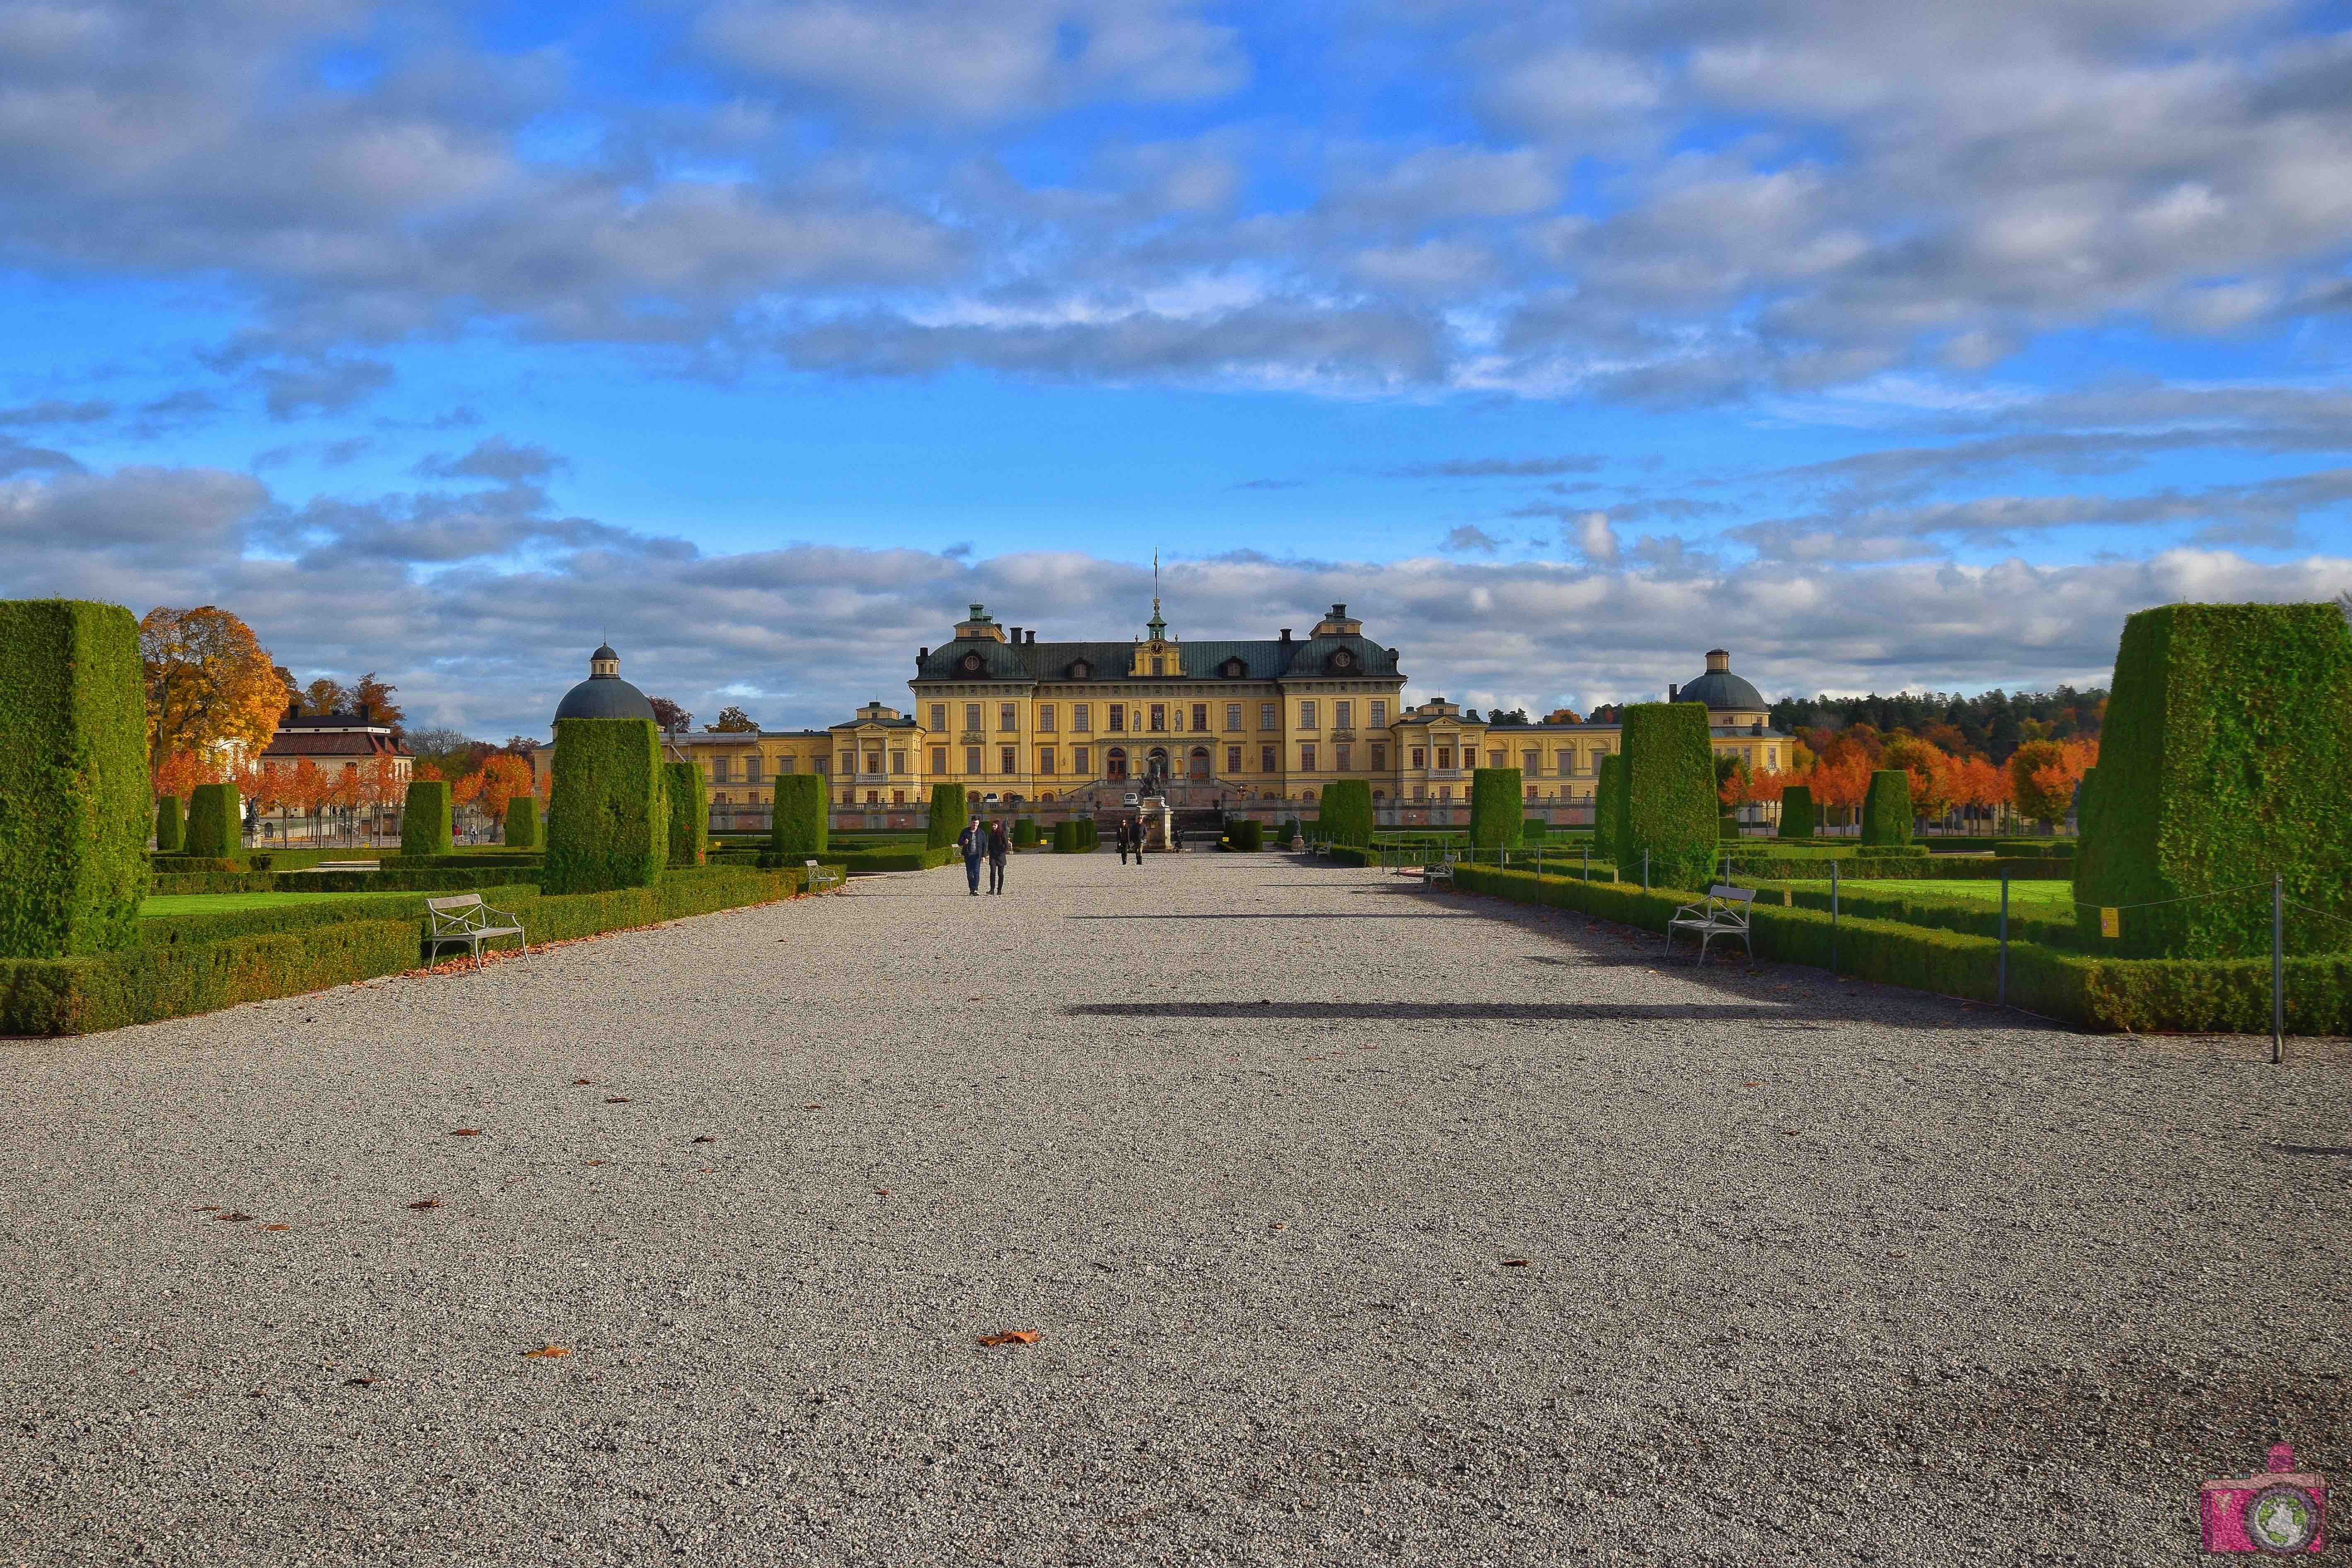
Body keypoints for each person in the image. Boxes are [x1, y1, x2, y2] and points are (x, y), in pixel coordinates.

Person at [958, 817, 985, 895]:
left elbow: (984, 844)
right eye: (974, 823)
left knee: (976, 872)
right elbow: (959, 842)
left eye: (977, 823)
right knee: (969, 874)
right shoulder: (965, 831)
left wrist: (984, 856)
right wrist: (964, 842)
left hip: (977, 856)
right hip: (968, 855)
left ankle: (976, 889)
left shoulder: (981, 833)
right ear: (971, 823)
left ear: (979, 824)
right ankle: (972, 888)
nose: (975, 825)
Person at [987, 819, 1011, 894]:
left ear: (998, 826)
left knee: (1000, 874)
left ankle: (999, 890)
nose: (993, 827)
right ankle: (992, 890)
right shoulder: (990, 834)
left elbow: (1006, 845)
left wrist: (1003, 851)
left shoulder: (1002, 834)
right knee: (993, 873)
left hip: (1001, 856)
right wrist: (989, 852)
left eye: (995, 825)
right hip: (993, 856)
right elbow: (990, 844)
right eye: (992, 825)